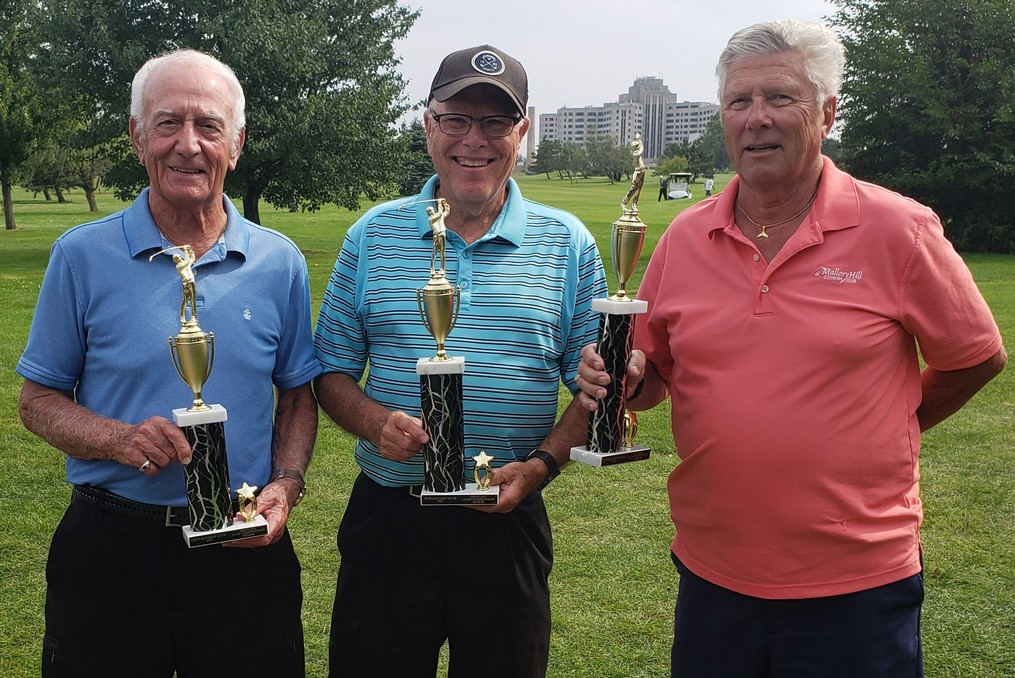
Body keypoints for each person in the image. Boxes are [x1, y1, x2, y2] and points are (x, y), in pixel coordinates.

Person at [574, 19, 1006, 677]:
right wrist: (627, 379)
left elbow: (975, 356)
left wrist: (899, 421)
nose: (756, 118)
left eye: (779, 97)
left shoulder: (899, 229)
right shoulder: (685, 238)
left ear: (826, 113)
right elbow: (655, 374)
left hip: (857, 585)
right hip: (713, 575)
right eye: (738, 101)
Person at [17, 49, 321, 678]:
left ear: (235, 144)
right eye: (167, 123)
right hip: (112, 549)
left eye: (208, 125)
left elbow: (298, 395)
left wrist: (287, 483)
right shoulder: (81, 255)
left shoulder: (279, 262)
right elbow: (38, 402)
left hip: (243, 547)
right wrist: (119, 438)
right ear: (137, 138)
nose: (188, 144)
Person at [313, 44, 607, 678]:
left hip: (508, 518)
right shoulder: (371, 234)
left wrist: (540, 467)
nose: (475, 139)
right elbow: (331, 371)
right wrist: (374, 423)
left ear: (521, 133)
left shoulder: (568, 243)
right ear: (429, 127)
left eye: (496, 122)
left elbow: (592, 387)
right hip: (391, 518)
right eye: (456, 119)